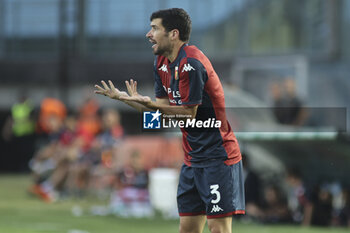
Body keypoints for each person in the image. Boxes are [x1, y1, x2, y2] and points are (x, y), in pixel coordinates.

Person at [95, 8, 244, 233]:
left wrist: (149, 103)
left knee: (218, 229)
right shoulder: (161, 63)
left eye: (155, 28)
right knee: (187, 229)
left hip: (218, 158)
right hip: (192, 160)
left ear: (173, 34)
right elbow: (162, 115)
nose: (148, 34)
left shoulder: (192, 63)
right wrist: (127, 100)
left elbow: (188, 114)